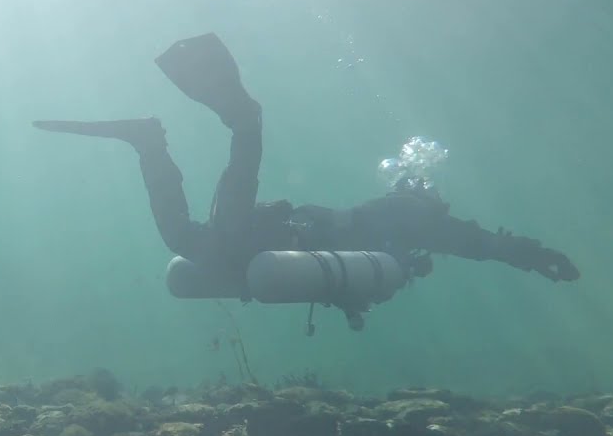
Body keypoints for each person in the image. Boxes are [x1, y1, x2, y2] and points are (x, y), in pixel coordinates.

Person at [33, 33, 579, 313]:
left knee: (185, 236)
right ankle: (234, 122)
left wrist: (532, 256)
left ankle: (150, 143)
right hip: (261, 248)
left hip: (259, 251)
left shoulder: (396, 221)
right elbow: (480, 243)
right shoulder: (410, 220)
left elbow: (476, 242)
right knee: (204, 232)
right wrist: (535, 256)